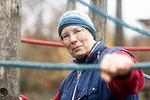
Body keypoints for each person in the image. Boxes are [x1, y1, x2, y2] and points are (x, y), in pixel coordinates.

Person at [20, 10, 144, 100]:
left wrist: (123, 70)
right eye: (66, 36)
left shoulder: (114, 55)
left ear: (91, 33)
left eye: (78, 31)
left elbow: (131, 83)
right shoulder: (68, 81)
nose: (72, 39)